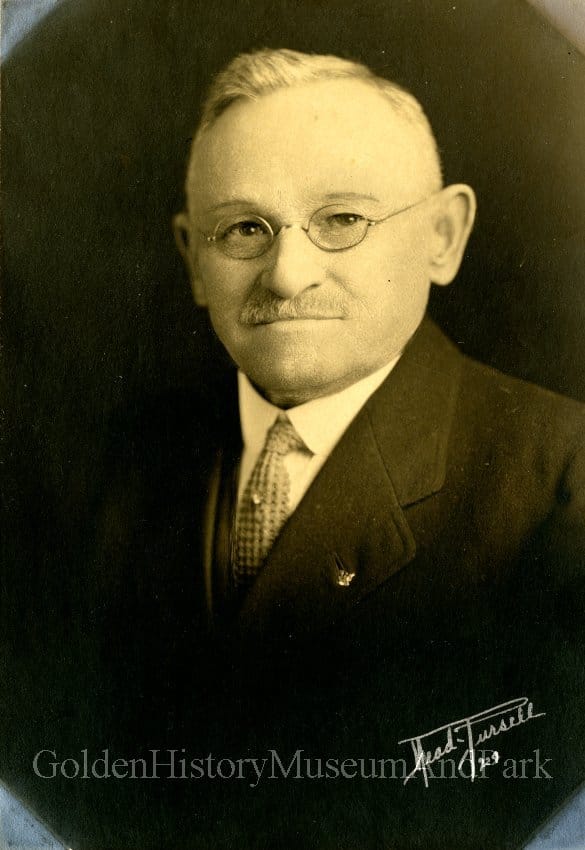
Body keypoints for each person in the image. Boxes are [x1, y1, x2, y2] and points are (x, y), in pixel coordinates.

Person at [90, 48, 585, 848]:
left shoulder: (563, 477)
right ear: (192, 259)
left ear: (442, 236)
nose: (286, 276)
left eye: (343, 220)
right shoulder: (133, 466)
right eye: (243, 229)